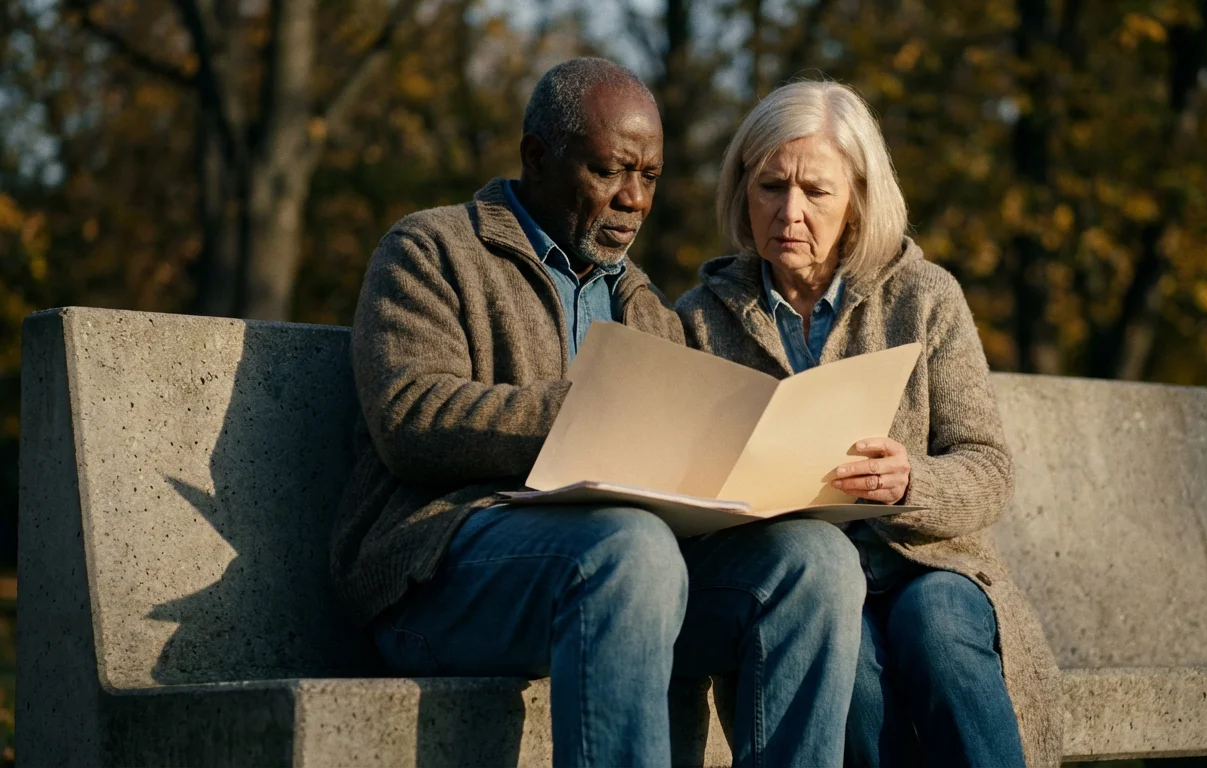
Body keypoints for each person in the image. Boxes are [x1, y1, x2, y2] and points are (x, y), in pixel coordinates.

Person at [330, 58, 865, 767]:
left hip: (627, 579)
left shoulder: (644, 304)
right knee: (629, 547)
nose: (633, 200)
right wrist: (586, 416)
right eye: (610, 171)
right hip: (441, 578)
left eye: (649, 177)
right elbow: (410, 418)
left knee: (815, 562)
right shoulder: (432, 250)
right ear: (537, 158)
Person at [676, 80, 1064, 768]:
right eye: (769, 186)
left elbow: (987, 466)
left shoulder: (924, 297)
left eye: (815, 192)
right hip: (804, 589)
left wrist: (910, 480)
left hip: (929, 566)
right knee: (843, 657)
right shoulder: (700, 319)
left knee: (937, 629)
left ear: (858, 196)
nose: (788, 212)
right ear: (742, 191)